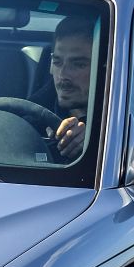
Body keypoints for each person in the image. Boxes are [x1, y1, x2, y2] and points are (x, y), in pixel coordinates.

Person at [44, 13, 99, 160]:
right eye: (57, 62)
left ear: (105, 68)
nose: (62, 75)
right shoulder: (30, 114)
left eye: (78, 64)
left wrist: (96, 142)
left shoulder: (129, 122)